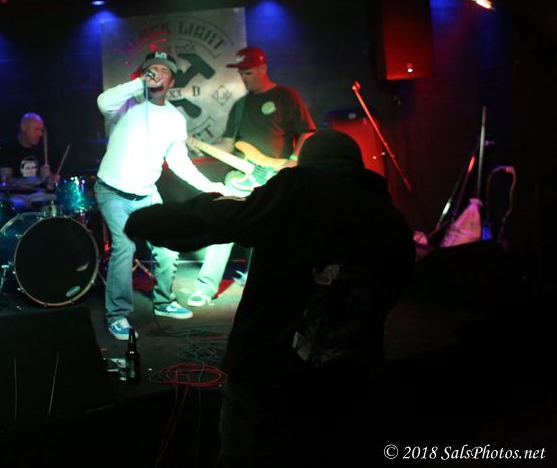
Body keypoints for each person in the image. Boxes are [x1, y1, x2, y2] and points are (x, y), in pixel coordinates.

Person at [126, 129, 414, 462]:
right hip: (353, 380)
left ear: (307, 162)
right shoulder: (391, 220)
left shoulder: (300, 188)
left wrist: (149, 221)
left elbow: (227, 217)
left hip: (270, 379)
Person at [96, 51, 226, 340]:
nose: (156, 73)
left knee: (168, 244)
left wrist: (211, 187)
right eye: (150, 69)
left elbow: (180, 163)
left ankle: (164, 302)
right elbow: (103, 102)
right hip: (112, 191)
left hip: (146, 193)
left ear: (171, 81)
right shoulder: (127, 103)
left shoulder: (174, 118)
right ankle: (117, 315)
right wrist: (138, 83)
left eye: (162, 70)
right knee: (124, 247)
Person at [189, 46, 316, 307]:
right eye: (241, 73)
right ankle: (206, 286)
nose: (243, 78)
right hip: (242, 177)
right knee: (223, 224)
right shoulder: (240, 105)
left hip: (275, 178)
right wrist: (199, 146)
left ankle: (261, 281)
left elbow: (307, 131)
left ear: (263, 68)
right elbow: (228, 145)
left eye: (247, 72)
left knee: (274, 233)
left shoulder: (286, 96)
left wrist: (293, 160)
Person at [0, 112, 59, 211]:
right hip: (15, 196)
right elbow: (6, 182)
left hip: (36, 195)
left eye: (41, 130)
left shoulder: (43, 149)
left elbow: (45, 179)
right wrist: (37, 180)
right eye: (36, 129)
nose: (40, 134)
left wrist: (51, 179)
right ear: (24, 127)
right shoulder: (7, 148)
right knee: (16, 204)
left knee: (53, 201)